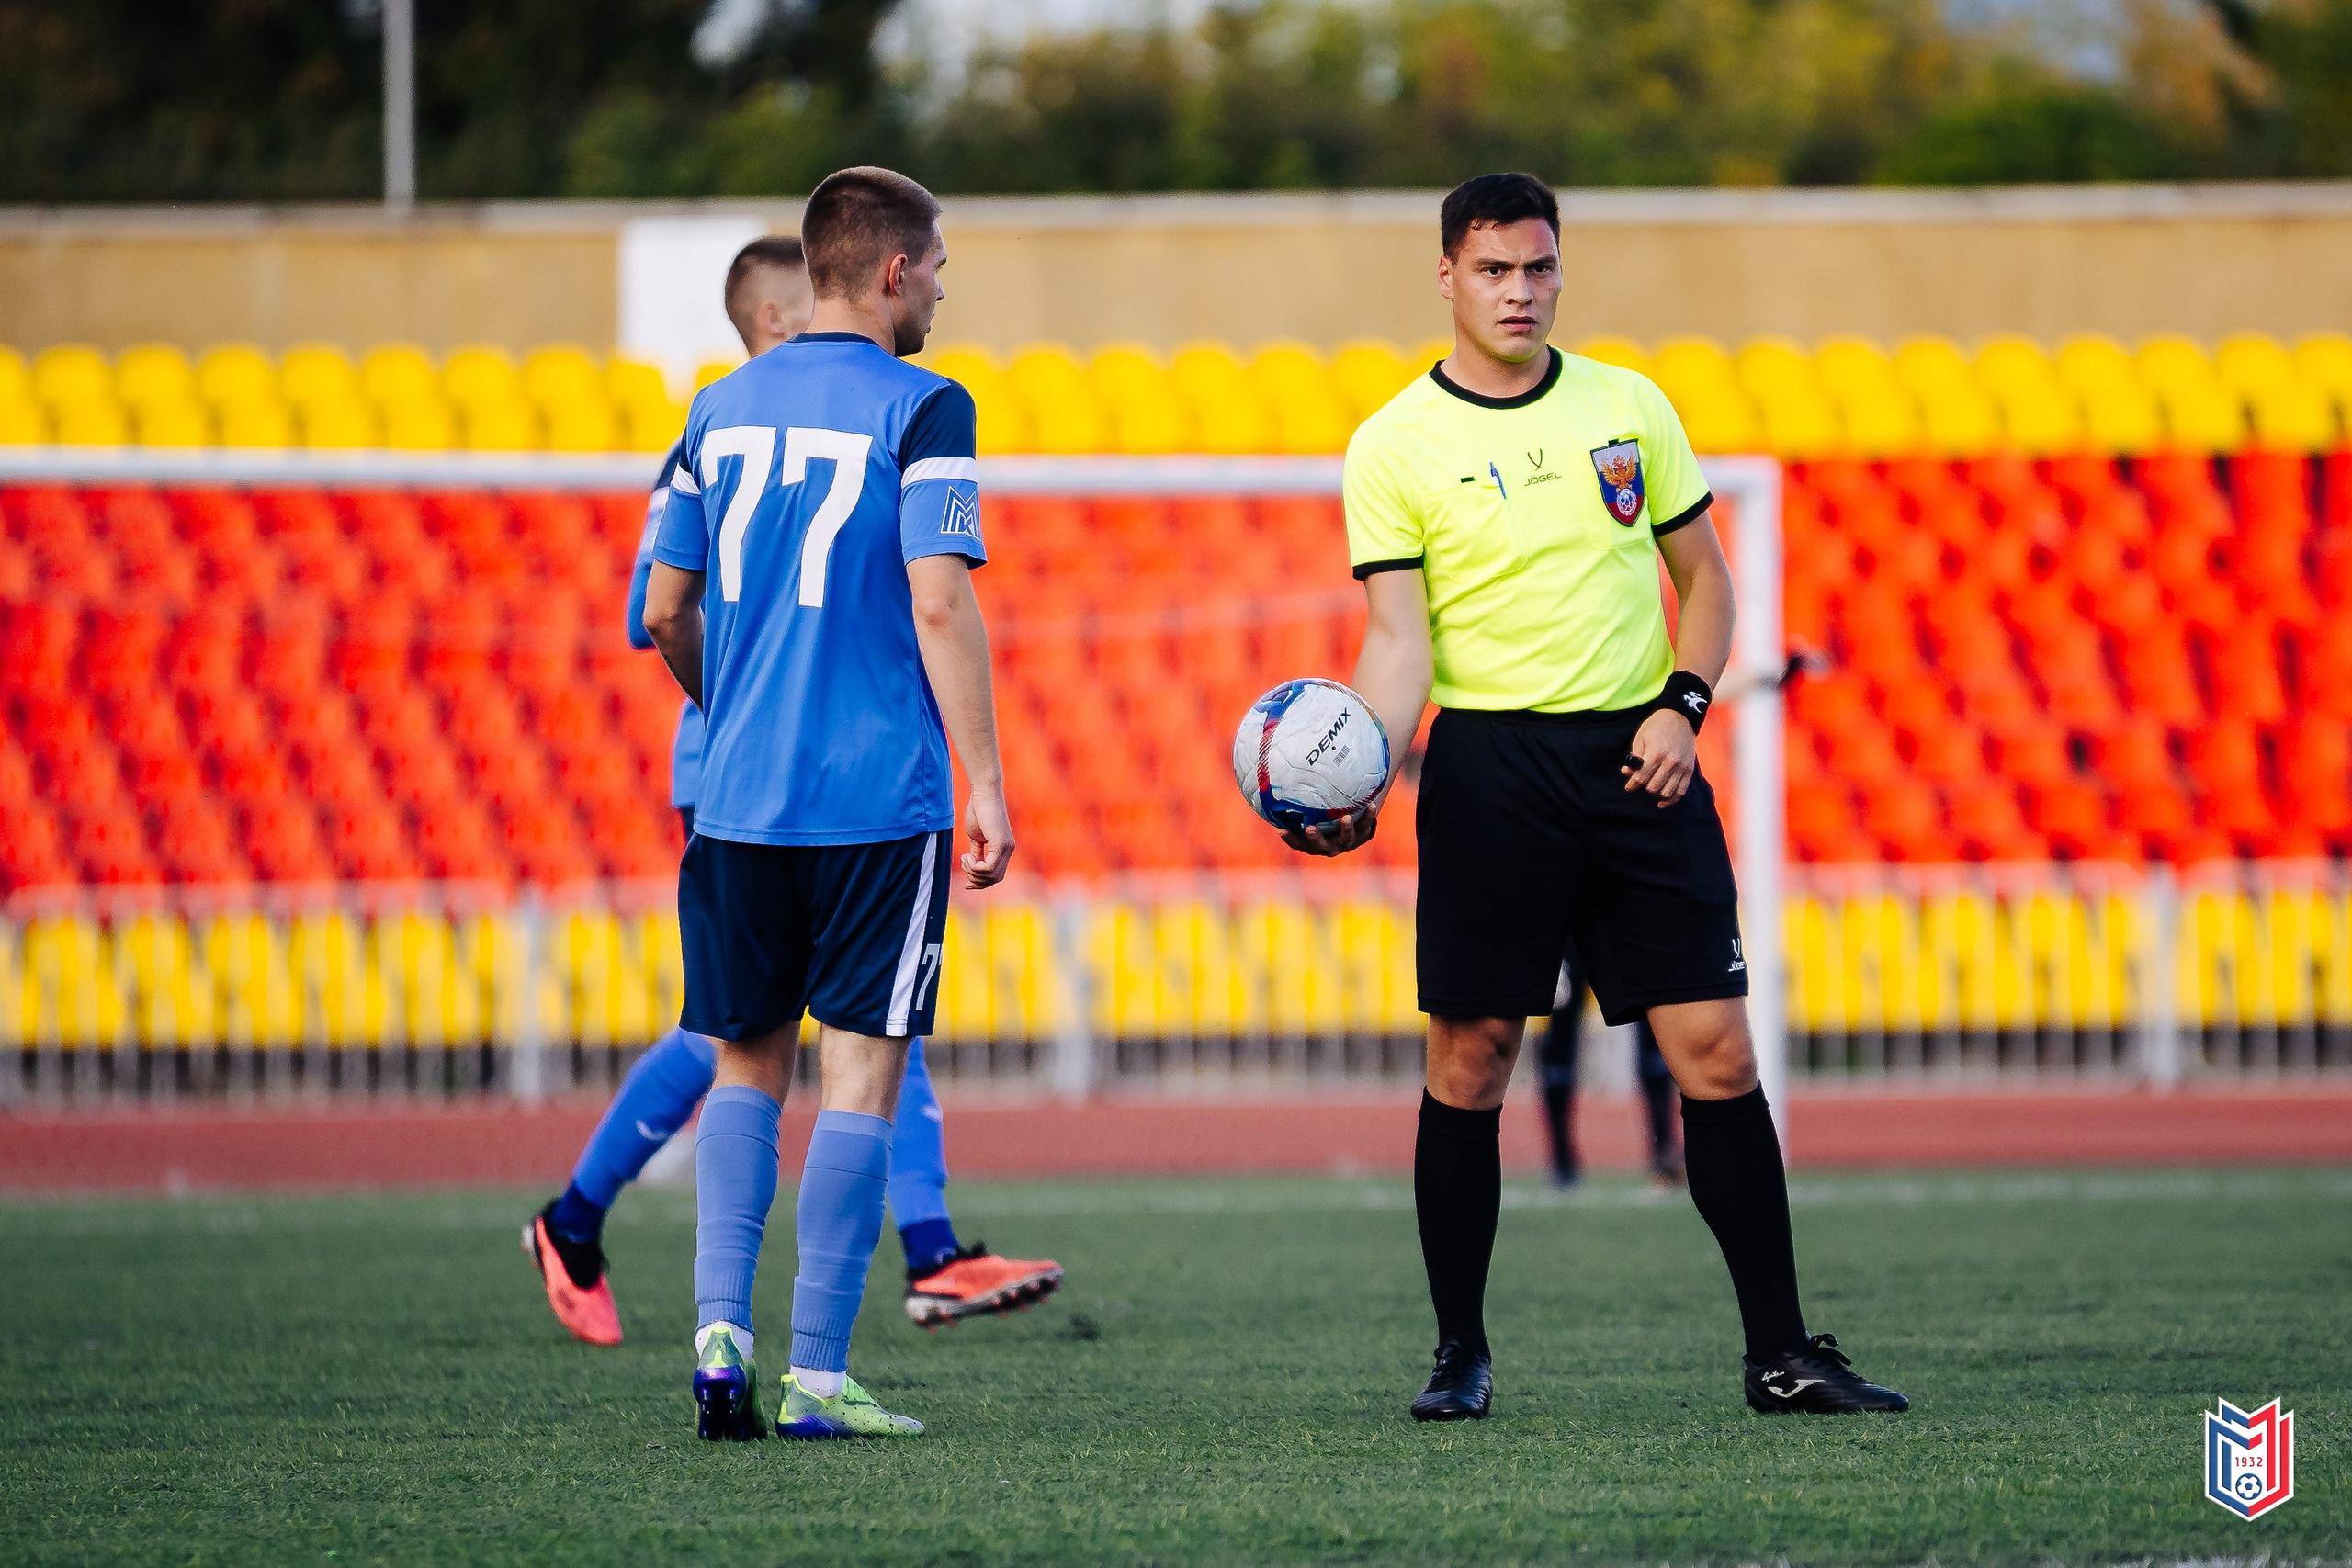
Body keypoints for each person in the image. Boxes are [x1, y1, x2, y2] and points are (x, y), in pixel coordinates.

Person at [1288, 173, 1907, 1422]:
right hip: (1488, 772)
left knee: (1718, 1053)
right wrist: (1359, 766)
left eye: (1540, 269)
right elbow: (1397, 642)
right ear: (1448, 278)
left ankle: (1780, 1351)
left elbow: (1711, 584)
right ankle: (1459, 1350)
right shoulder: (1395, 440)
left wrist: (1682, 704)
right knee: (1471, 1060)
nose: (1521, 291)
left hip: (1640, 761)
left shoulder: (1630, 406)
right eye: (1495, 270)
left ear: (1561, 271)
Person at [521, 236, 1060, 1356]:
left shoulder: (713, 420)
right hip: (819, 768)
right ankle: (809, 1315)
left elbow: (660, 608)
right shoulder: (893, 405)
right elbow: (930, 604)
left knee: (757, 1040)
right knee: (837, 1037)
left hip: (739, 774)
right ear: (779, 315)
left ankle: (877, 1262)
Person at [1539, 942, 1683, 1189]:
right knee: (1560, 1037)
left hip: (1625, 924)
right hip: (1569, 929)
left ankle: (1664, 1153)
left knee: (1653, 1033)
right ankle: (1561, 1159)